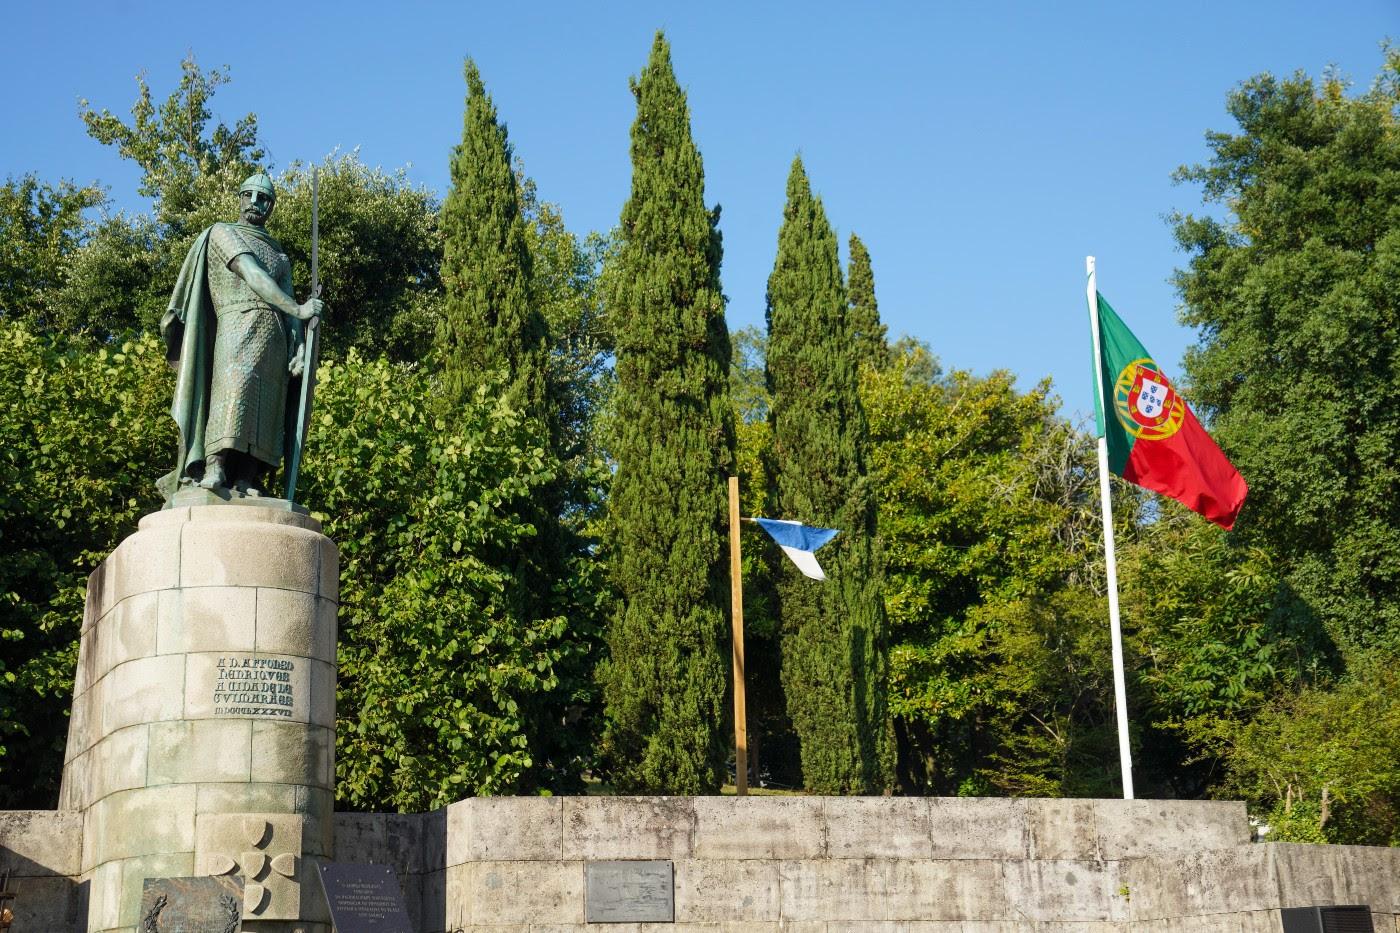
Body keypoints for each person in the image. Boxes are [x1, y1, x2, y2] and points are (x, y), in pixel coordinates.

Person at [160, 172, 323, 499]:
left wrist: (300, 348)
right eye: (249, 194)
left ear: (272, 206)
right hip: (237, 325)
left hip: (275, 338)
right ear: (240, 197)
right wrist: (299, 308)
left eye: (263, 198)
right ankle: (215, 465)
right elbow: (253, 275)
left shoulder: (280, 256)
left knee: (268, 409)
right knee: (234, 392)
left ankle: (248, 477)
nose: (255, 202)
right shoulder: (223, 234)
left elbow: (291, 318)